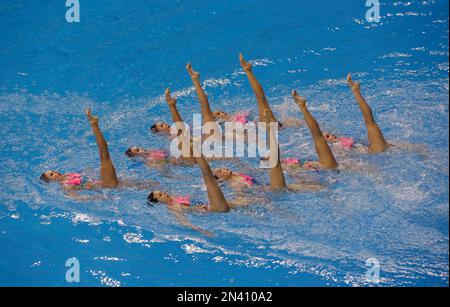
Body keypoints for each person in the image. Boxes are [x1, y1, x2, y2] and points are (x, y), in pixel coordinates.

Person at [40, 108, 158, 194]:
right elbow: (78, 197)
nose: (55, 172)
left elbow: (86, 178)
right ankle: (94, 125)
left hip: (106, 182)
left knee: (148, 184)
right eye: (51, 174)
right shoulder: (65, 185)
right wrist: (97, 198)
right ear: (51, 181)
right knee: (104, 155)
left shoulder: (67, 175)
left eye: (52, 171)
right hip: (106, 184)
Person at [292, 91, 339, 170]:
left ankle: (302, 106)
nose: (332, 136)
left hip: (329, 167)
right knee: (317, 135)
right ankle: (302, 106)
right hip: (330, 167)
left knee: (317, 135)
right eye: (327, 136)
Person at [346, 73, 389, 153]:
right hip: (377, 150)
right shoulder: (337, 149)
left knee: (369, 120)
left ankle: (355, 90)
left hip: (377, 149)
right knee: (369, 120)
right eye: (327, 136)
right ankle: (355, 90)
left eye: (330, 134)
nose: (331, 136)